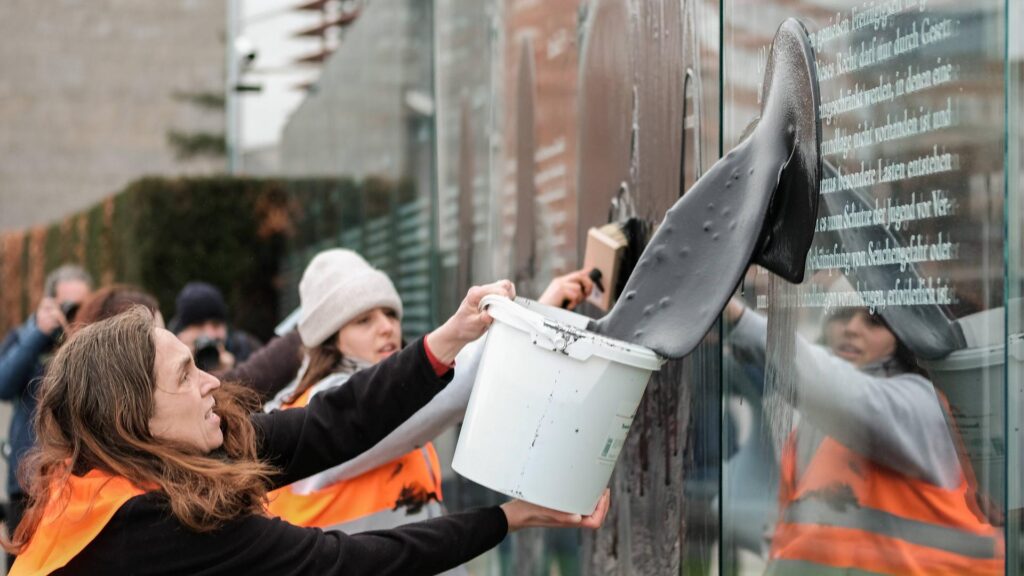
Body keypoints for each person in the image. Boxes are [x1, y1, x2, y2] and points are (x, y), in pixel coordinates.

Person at [4, 281, 609, 575]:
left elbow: (330, 424)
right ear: (133, 420)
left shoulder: (149, 459)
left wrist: (447, 339)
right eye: (185, 376)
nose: (212, 382)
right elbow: (348, 564)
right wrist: (509, 517)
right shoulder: (148, 528)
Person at [266, 257, 596, 506]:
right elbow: (452, 388)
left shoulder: (386, 394)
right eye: (363, 320)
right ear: (331, 340)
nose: (386, 328)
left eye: (390, 314)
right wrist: (538, 316)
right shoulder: (319, 411)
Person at [724, 298, 1004, 575]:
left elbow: (850, 398)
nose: (852, 328)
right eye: (842, 315)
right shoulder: (813, 425)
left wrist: (740, 320)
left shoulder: (923, 406)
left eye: (874, 321)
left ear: (903, 337)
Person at [0, 264, 91, 567]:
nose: (72, 313)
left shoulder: (92, 345)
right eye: (67, 305)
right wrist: (37, 334)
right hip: (26, 484)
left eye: (80, 306)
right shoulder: (26, 337)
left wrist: (73, 335)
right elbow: (3, 383)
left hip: (75, 481)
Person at [169, 281, 262, 373]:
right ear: (183, 333)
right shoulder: (169, 354)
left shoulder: (247, 349)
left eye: (216, 325)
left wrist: (233, 371)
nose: (210, 335)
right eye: (199, 325)